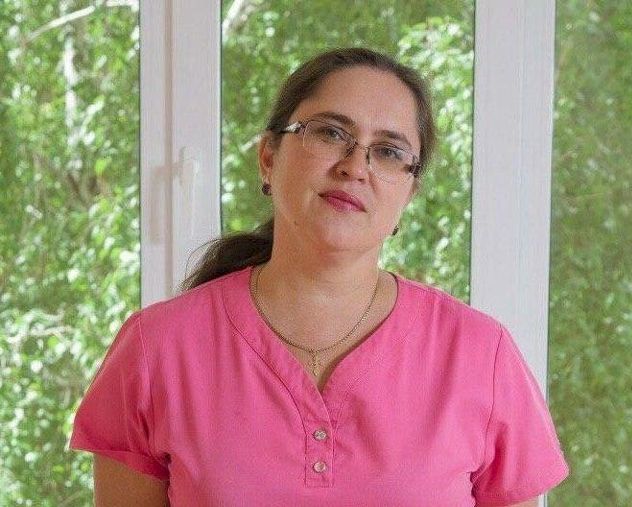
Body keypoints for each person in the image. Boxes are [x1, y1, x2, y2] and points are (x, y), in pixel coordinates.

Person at [68, 47, 570, 506]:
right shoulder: (156, 349)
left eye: (389, 151)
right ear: (268, 158)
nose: (355, 166)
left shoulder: (481, 357)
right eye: (331, 133)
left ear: (408, 194)